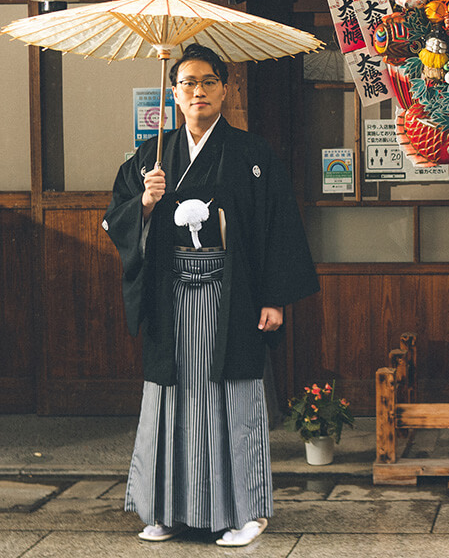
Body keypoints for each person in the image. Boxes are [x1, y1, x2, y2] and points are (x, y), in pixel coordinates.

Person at [102, 43, 319, 547]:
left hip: (233, 296)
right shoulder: (149, 157)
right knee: (170, 402)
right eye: (187, 83)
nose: (197, 91)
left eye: (207, 82)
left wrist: (274, 298)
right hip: (171, 297)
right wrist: (147, 204)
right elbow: (116, 221)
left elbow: (277, 227)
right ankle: (168, 509)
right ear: (173, 94)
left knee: (234, 401)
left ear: (225, 89)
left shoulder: (252, 153)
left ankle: (246, 512)